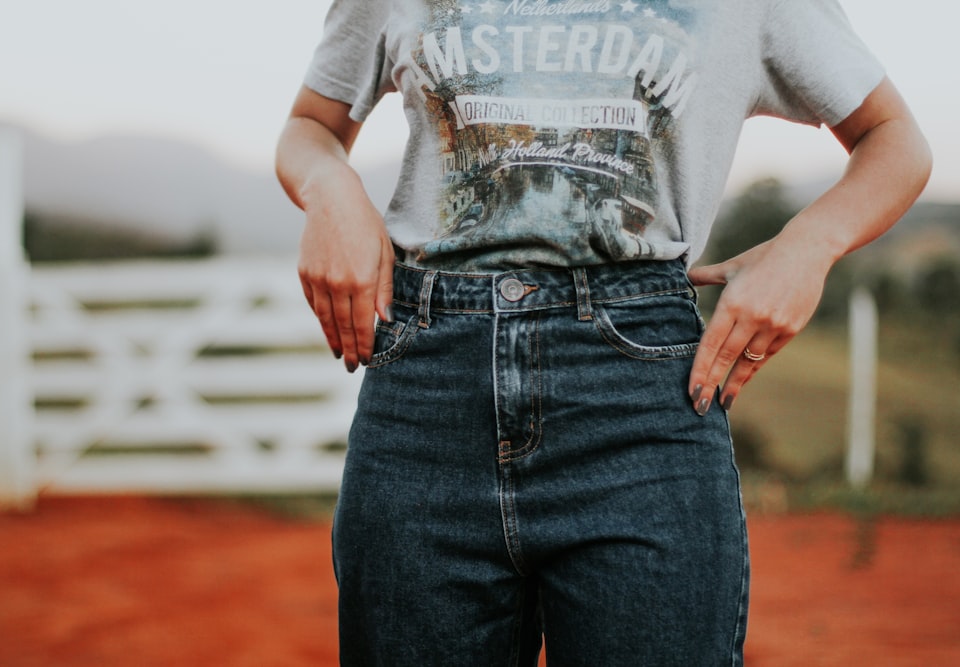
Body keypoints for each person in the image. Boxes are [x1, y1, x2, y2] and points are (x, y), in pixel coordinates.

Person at [275, 1, 931, 664]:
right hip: (427, 395)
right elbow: (310, 125)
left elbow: (895, 139)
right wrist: (331, 187)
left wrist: (808, 246)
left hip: (638, 397)